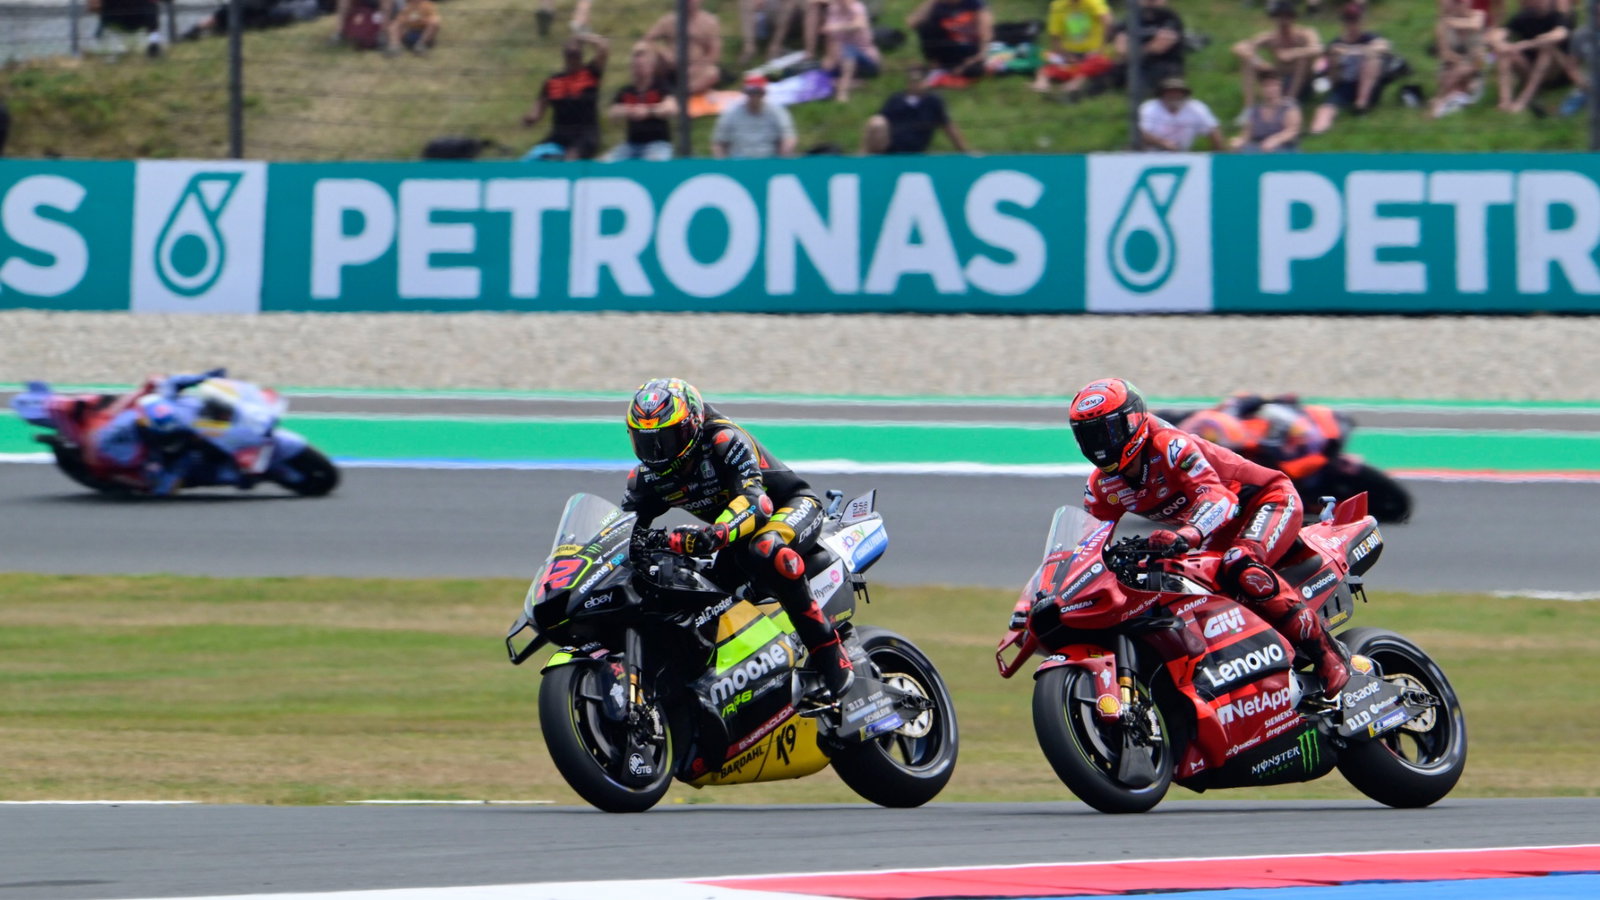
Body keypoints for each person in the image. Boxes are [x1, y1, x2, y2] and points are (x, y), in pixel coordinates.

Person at [1068, 378, 1352, 698]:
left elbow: (1220, 499)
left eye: (1105, 432)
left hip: (1266, 501)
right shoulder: (1101, 487)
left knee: (1240, 564)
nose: (1099, 445)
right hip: (1216, 530)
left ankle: (1327, 654)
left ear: (1132, 421)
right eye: (1088, 435)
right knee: (1186, 587)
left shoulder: (1169, 446)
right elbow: (1089, 542)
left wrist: (1187, 534)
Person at [622, 378, 855, 698]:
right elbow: (622, 529)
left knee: (766, 549)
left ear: (690, 426)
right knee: (692, 588)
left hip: (790, 508)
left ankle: (831, 655)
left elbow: (758, 504)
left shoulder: (723, 440)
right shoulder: (645, 478)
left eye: (666, 439)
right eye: (646, 442)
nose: (657, 452)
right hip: (732, 540)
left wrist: (714, 534)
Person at [91, 369, 228, 497]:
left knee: (155, 381)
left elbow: (172, 382)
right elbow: (162, 489)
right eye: (169, 438)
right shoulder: (141, 455)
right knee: (153, 482)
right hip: (117, 453)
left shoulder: (160, 409)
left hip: (134, 417)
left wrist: (205, 377)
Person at [521, 33, 609, 161]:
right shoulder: (553, 82)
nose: (573, 58)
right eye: (570, 54)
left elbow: (604, 47)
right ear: (565, 56)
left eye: (576, 54)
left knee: (570, 159)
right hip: (559, 135)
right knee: (530, 159)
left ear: (581, 56)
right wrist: (530, 119)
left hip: (585, 134)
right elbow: (537, 111)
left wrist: (582, 37)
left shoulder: (590, 74)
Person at [1490, 0, 1586, 113]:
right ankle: (1504, 102)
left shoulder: (1558, 17)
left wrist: (1525, 45)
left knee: (1547, 49)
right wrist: (1502, 45)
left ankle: (1523, 101)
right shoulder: (1523, 17)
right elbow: (1497, 35)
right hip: (1529, 68)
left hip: (1556, 72)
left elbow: (1559, 34)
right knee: (1505, 52)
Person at [1310, 4, 1391, 135]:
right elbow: (1324, 71)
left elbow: (1384, 47)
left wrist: (1352, 51)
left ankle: (1361, 104)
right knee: (1324, 109)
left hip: (1368, 87)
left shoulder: (1370, 38)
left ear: (1362, 20)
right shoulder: (1336, 43)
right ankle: (1316, 132)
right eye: (1349, 20)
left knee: (1372, 58)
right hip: (1344, 85)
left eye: (1355, 20)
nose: (1352, 24)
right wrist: (1332, 59)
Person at [1231, 1, 1322, 109]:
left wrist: (1294, 53)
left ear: (1293, 18)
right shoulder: (1270, 37)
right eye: (1279, 17)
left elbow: (1318, 49)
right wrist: (1259, 62)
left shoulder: (1305, 33)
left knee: (1303, 58)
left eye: (1286, 17)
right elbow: (1239, 47)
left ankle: (1289, 102)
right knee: (1247, 62)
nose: (1283, 21)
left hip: (1303, 83)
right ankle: (1249, 108)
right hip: (1279, 78)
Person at [861, 65, 971, 153]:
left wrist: (965, 151)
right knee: (876, 122)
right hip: (890, 148)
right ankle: (863, 159)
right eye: (911, 80)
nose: (914, 84)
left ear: (926, 81)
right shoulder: (896, 99)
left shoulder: (933, 102)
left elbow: (948, 126)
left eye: (918, 80)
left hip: (915, 148)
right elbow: (880, 120)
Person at [605, 43, 678, 161]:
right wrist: (628, 110)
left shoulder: (660, 87)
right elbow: (612, 113)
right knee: (606, 163)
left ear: (651, 67)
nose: (637, 69)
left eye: (641, 65)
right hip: (632, 145)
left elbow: (672, 108)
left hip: (658, 144)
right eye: (635, 65)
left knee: (653, 163)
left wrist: (649, 111)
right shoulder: (626, 91)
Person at [1030, 0, 1114, 100]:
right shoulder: (1058, 5)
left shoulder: (1093, 2)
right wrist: (1065, 55)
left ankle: (1076, 82)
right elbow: (1055, 36)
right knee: (1045, 54)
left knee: (1101, 61)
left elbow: (1108, 20)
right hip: (1070, 56)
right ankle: (1042, 81)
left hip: (1092, 54)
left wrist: (1101, 48)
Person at [644, 0, 724, 95]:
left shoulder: (710, 22)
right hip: (670, 67)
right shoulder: (668, 20)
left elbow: (714, 53)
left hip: (696, 69)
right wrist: (663, 53)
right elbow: (647, 40)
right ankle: (654, 89)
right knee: (649, 57)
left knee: (712, 73)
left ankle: (682, 93)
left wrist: (698, 67)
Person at [907, 0, 994, 83]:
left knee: (976, 70)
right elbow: (913, 23)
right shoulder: (938, 4)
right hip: (949, 47)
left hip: (970, 49)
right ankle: (937, 66)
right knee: (925, 26)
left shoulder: (975, 3)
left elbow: (985, 33)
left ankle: (951, 69)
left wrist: (980, 55)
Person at [712, 74, 797, 158]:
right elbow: (719, 142)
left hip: (769, 160)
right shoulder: (731, 113)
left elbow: (788, 137)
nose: (754, 97)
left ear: (763, 93)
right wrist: (723, 163)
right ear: (745, 93)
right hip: (739, 161)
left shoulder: (777, 112)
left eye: (757, 93)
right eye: (751, 93)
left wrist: (783, 157)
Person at [1113, 0, 1186, 92]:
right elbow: (1121, 48)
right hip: (1136, 62)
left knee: (1162, 71)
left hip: (1162, 62)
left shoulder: (1170, 18)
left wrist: (1132, 52)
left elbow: (1158, 47)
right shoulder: (1131, 18)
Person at [1137, 77, 1224, 151]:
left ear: (1185, 94)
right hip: (1151, 153)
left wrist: (1218, 154)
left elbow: (1213, 130)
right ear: (1162, 94)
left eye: (1178, 92)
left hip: (1182, 153)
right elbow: (1140, 132)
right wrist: (1163, 143)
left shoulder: (1196, 108)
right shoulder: (1150, 107)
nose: (1174, 95)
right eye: (1170, 92)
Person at [817, 0, 880, 102]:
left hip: (866, 59)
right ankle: (855, 84)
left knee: (848, 49)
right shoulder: (833, 10)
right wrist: (829, 57)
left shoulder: (857, 8)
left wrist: (838, 27)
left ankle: (843, 91)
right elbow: (830, 36)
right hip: (841, 59)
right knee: (823, 75)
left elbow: (859, 24)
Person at [1434, 0, 1488, 117]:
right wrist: (1461, 62)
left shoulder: (1478, 16)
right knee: (1460, 73)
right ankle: (1450, 100)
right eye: (1455, 2)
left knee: (1468, 72)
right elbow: (1445, 54)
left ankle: (1440, 99)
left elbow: (1479, 59)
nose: (1458, 5)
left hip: (1473, 71)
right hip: (1450, 69)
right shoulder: (1441, 26)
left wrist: (1451, 22)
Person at [1231, 73, 1301, 152]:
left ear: (1280, 87)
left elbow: (1292, 130)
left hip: (1284, 148)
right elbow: (1247, 133)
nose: (1270, 89)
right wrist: (1240, 141)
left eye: (1274, 85)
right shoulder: (1254, 110)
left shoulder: (1289, 106)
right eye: (1266, 86)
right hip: (1259, 148)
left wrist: (1277, 139)